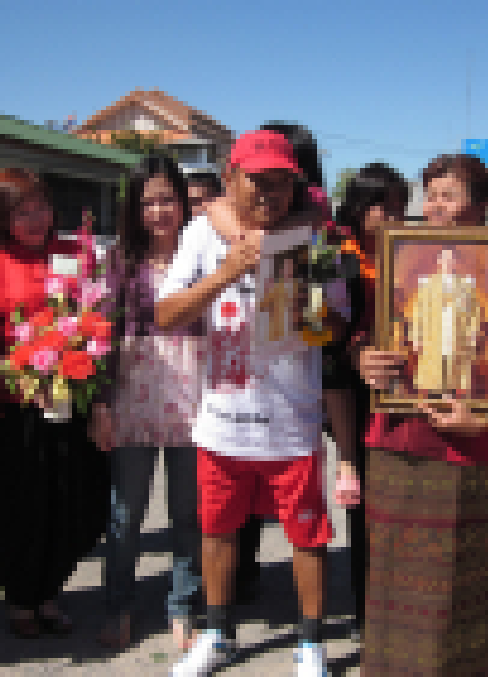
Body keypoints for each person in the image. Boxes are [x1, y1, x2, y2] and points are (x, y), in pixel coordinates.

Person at [155, 129, 338, 676]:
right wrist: (230, 270)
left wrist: (312, 308)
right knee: (217, 532)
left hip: (293, 422)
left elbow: (335, 326)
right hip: (223, 423)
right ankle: (216, 634)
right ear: (230, 178)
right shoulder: (199, 235)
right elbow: (167, 316)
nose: (268, 194)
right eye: (257, 182)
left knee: (307, 536)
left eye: (281, 185)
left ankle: (310, 644)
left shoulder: (314, 237)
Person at [355, 153, 488, 677]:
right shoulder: (397, 267)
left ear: (478, 208)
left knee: (456, 581)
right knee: (389, 576)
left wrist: (483, 420)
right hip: (394, 439)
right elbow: (369, 340)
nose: (434, 206)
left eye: (448, 195)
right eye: (430, 194)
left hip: (461, 445)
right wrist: (364, 360)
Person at [0, 168, 110, 640]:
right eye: (22, 212)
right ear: (3, 218)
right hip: (19, 411)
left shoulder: (74, 255)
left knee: (72, 502)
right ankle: (21, 597)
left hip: (72, 402)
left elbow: (93, 319)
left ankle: (50, 592)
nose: (35, 218)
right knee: (20, 508)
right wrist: (21, 382)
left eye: (40, 206)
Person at [88, 153, 207, 651]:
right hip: (132, 397)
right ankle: (118, 606)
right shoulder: (119, 259)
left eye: (167, 199)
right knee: (125, 514)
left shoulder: (204, 254)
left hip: (195, 397)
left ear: (183, 203)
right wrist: (99, 404)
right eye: (148, 201)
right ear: (134, 208)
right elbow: (100, 333)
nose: (158, 211)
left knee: (188, 513)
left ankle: (183, 605)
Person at [327, 162, 409, 634]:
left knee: (395, 494)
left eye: (400, 207)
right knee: (362, 501)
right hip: (353, 386)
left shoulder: (410, 252)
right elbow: (328, 333)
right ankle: (365, 608)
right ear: (360, 209)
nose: (393, 215)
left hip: (401, 386)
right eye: (384, 206)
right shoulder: (340, 253)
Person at [406, 246, 482, 396]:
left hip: (457, 333)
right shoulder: (426, 283)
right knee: (434, 369)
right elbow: (418, 313)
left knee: (455, 368)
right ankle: (435, 398)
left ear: (456, 262)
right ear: (439, 261)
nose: (448, 262)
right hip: (433, 333)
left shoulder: (467, 284)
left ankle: (452, 396)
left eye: (451, 259)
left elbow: (474, 312)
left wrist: (473, 334)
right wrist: (416, 337)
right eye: (445, 259)